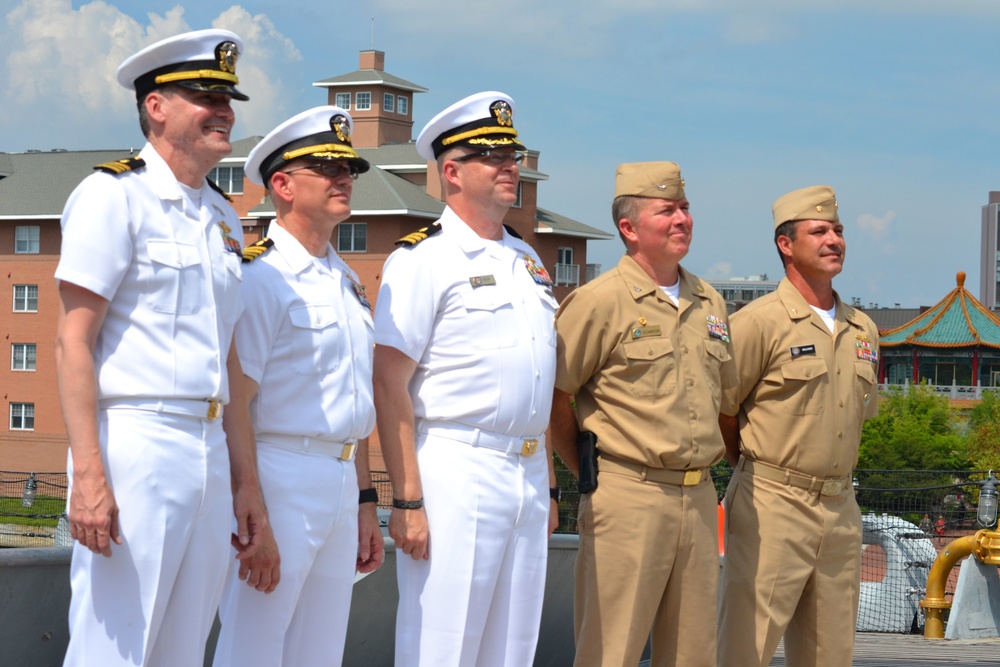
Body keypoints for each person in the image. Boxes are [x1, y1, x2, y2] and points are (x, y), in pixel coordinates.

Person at [54, 29, 266, 666]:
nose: (224, 109)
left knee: (180, 650)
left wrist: (245, 482)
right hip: (135, 443)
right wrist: (90, 476)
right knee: (115, 646)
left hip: (204, 451)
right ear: (157, 107)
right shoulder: (111, 195)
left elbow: (228, 361)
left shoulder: (224, 218)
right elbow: (72, 341)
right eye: (206, 95)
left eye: (228, 96)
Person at [372, 91, 559, 667]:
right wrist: (407, 500)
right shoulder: (424, 258)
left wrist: (548, 484)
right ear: (451, 172)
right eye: (492, 156)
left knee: (513, 647)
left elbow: (536, 379)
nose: (511, 166)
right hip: (458, 465)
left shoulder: (526, 258)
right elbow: (387, 382)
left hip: (525, 471)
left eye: (514, 154)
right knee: (443, 645)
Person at [211, 106, 384, 666]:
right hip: (277, 474)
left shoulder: (348, 279)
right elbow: (237, 400)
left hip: (337, 476)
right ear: (281, 185)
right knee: (255, 645)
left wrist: (363, 502)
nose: (344, 179)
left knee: (319, 653)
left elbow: (353, 402)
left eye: (348, 169)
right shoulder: (263, 277)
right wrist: (249, 500)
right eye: (327, 168)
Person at [550, 161, 738, 667]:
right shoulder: (598, 301)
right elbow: (553, 398)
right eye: (666, 210)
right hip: (627, 497)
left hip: (700, 498)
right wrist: (593, 476)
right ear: (629, 229)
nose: (682, 219)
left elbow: (726, 403)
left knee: (693, 653)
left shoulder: (711, 301)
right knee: (611, 650)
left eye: (685, 208)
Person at [717, 185, 880, 667]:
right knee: (745, 648)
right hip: (772, 504)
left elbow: (856, 421)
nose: (834, 239)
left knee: (830, 653)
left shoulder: (863, 330)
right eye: (820, 231)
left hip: (841, 507)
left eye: (839, 230)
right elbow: (723, 412)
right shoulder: (755, 323)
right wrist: (756, 473)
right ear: (785, 244)